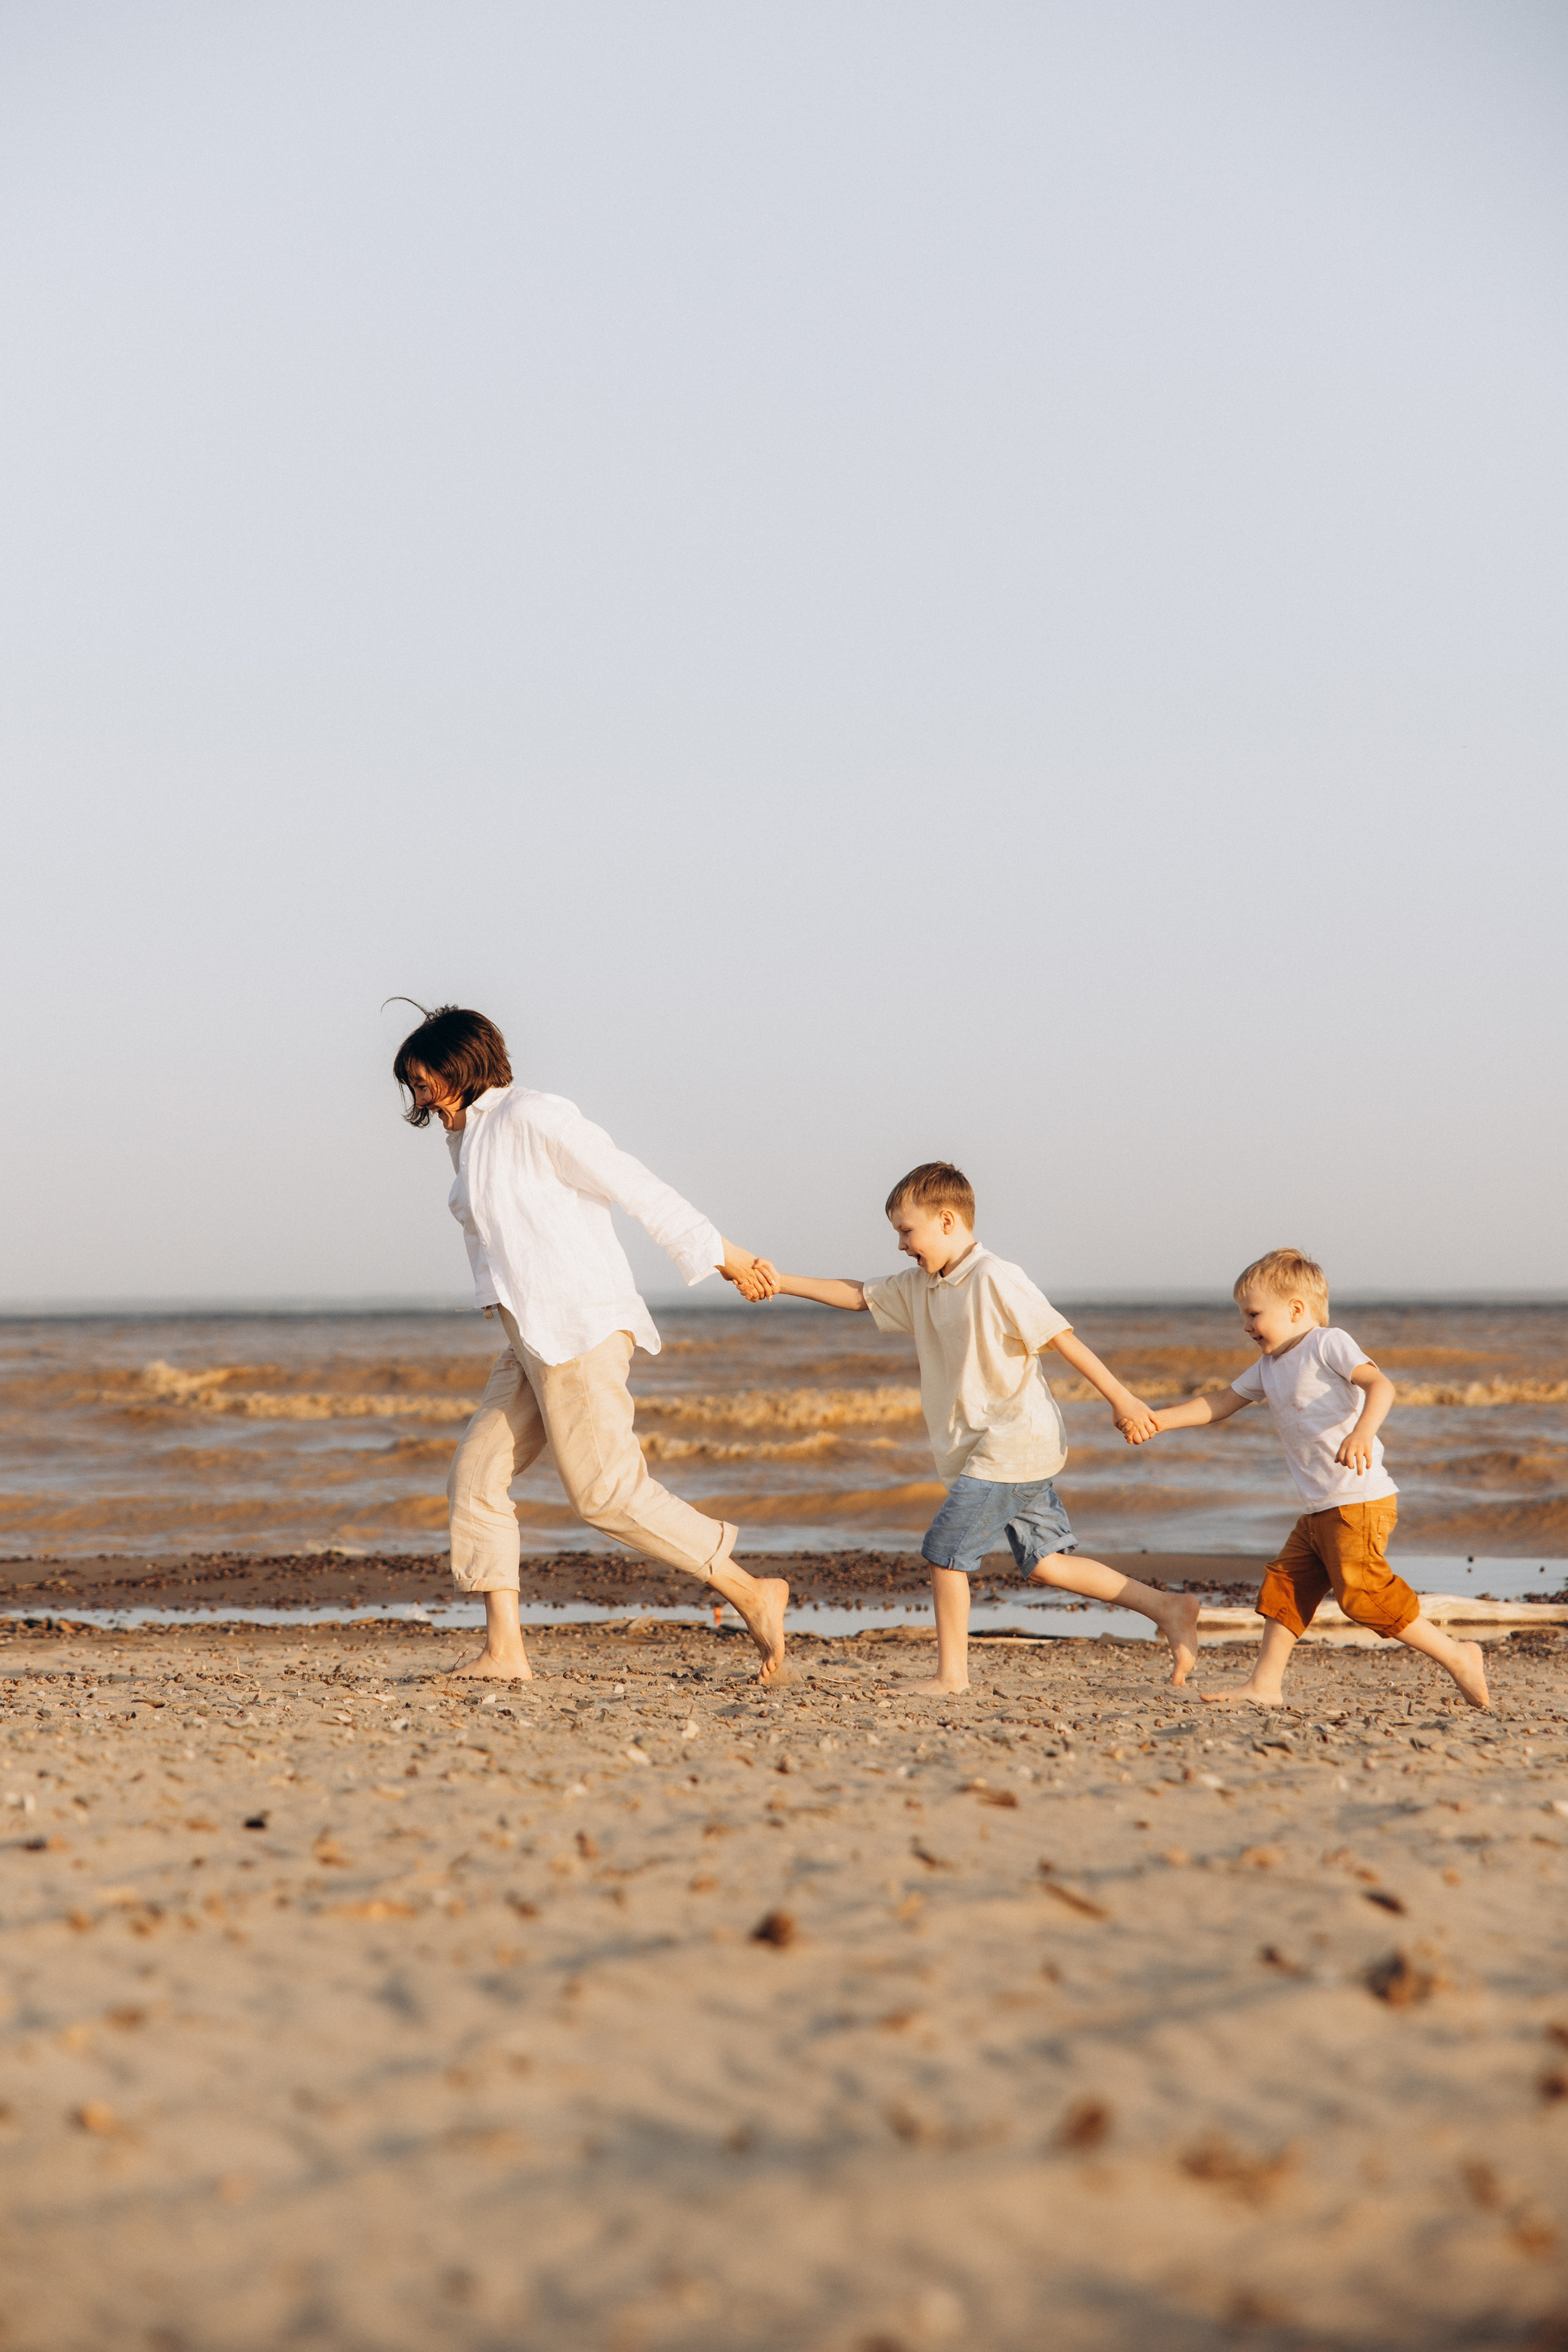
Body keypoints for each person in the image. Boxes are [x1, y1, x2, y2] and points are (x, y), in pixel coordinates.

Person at [391, 1005, 790, 1683]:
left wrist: (724, 1256)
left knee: (605, 1493)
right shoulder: (467, 1137)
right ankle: (505, 1653)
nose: (419, 1097)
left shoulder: (533, 1117)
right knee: (476, 1476)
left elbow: (632, 1183)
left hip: (576, 1328)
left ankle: (753, 1591)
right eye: (414, 1085)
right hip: (529, 1335)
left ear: (461, 1066)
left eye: (424, 1080)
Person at [748, 1161, 1203, 1694]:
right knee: (1048, 1565)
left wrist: (1123, 1400)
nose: (900, 1245)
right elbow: (857, 1295)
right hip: (992, 1450)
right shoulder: (921, 1285)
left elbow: (1061, 1338)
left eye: (905, 1231)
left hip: (1013, 1443)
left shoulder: (995, 1277)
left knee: (945, 1552)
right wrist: (779, 1282)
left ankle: (951, 1676)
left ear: (946, 1221)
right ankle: (1169, 1608)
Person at [1132, 1247, 1490, 1709]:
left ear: (1296, 1309)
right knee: (1286, 1589)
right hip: (1320, 1506)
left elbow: (1382, 1385)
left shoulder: (1327, 1343)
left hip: (1358, 1498)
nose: (1246, 1326)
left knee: (1363, 1596)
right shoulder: (1269, 1366)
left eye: (1254, 1314)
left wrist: (1363, 1432)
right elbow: (1221, 1401)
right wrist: (1159, 1420)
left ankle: (1458, 1655)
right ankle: (1265, 1685)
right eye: (1244, 1315)